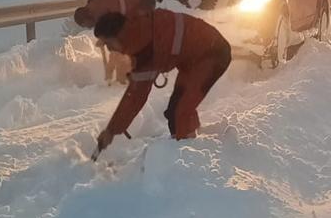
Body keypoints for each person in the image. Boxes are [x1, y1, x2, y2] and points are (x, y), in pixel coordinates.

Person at [90, 9, 231, 159]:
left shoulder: (147, 49)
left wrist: (111, 131)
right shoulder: (138, 32)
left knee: (180, 112)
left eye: (108, 43)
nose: (109, 49)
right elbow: (134, 93)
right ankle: (192, 143)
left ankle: (188, 160)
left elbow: (135, 97)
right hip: (192, 60)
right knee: (174, 110)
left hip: (213, 53)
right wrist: (113, 129)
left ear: (119, 35)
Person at [73, 0, 156, 84]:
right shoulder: (93, 4)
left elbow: (116, 34)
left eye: (86, 25)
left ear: (87, 16)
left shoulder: (100, 12)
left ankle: (136, 74)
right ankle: (126, 75)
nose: (89, 27)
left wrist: (105, 40)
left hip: (141, 0)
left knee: (131, 42)